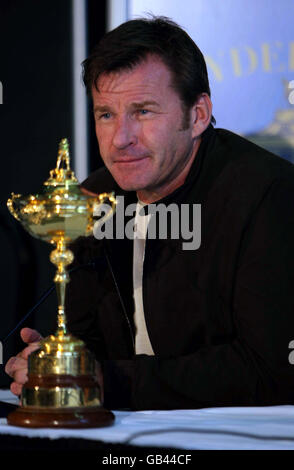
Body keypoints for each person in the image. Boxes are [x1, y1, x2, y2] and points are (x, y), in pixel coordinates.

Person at [5, 16, 294, 410]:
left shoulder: (269, 193)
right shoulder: (96, 195)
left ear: (198, 115)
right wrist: (58, 363)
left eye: (142, 112)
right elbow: (87, 336)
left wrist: (109, 380)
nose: (120, 139)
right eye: (106, 114)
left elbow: (271, 368)